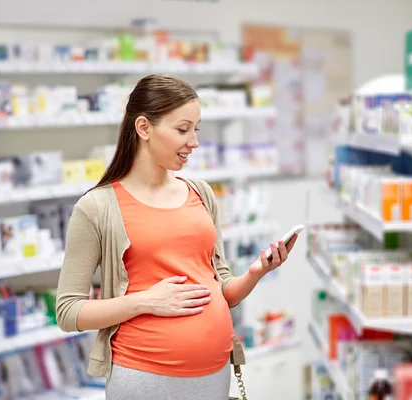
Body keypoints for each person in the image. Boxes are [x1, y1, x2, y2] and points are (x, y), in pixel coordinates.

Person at [55, 74, 298, 400]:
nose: (194, 141)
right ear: (144, 128)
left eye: (196, 129)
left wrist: (255, 273)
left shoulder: (201, 193)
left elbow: (221, 288)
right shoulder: (97, 207)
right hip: (145, 377)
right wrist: (145, 301)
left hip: (214, 374)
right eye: (183, 129)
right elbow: (68, 312)